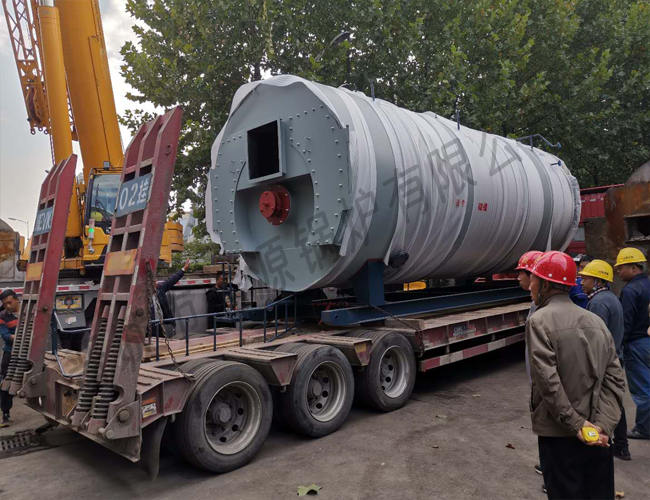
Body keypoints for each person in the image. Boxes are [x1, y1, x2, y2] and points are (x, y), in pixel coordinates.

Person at [527, 251, 625, 500]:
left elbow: (548, 382)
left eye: (533, 280)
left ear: (545, 285)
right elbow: (615, 380)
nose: (529, 286)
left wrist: (577, 424)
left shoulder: (539, 321)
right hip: (599, 437)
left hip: (560, 436)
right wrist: (602, 427)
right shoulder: (596, 321)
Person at [580, 259, 630, 460]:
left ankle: (603, 447)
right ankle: (621, 446)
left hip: (603, 362)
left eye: (586, 278)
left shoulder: (598, 303)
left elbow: (595, 340)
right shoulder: (610, 298)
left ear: (598, 281)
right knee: (613, 401)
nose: (582, 282)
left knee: (598, 404)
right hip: (614, 357)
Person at [515, 250, 546, 484]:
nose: (518, 278)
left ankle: (552, 473)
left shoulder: (543, 310)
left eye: (522, 274)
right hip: (539, 382)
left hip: (545, 384)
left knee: (550, 425)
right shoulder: (537, 304)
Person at [615, 247, 650, 440]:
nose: (618, 271)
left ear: (634, 267)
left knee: (642, 388)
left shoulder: (630, 290)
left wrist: (619, 346)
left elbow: (625, 323)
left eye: (621, 267)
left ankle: (644, 428)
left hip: (636, 344)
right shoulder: (648, 284)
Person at [152, 259, 191, 336]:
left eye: (156, 281)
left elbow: (171, 280)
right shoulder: (143, 294)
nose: (156, 283)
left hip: (159, 324)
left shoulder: (159, 289)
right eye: (154, 282)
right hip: (150, 325)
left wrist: (183, 269)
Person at [0, 289, 19, 428]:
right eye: (4, 304)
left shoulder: (29, 311)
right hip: (10, 352)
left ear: (17, 299)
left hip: (31, 351)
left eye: (10, 302)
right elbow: (5, 336)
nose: (7, 306)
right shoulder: (2, 316)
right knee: (5, 383)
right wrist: (22, 336)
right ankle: (5, 414)